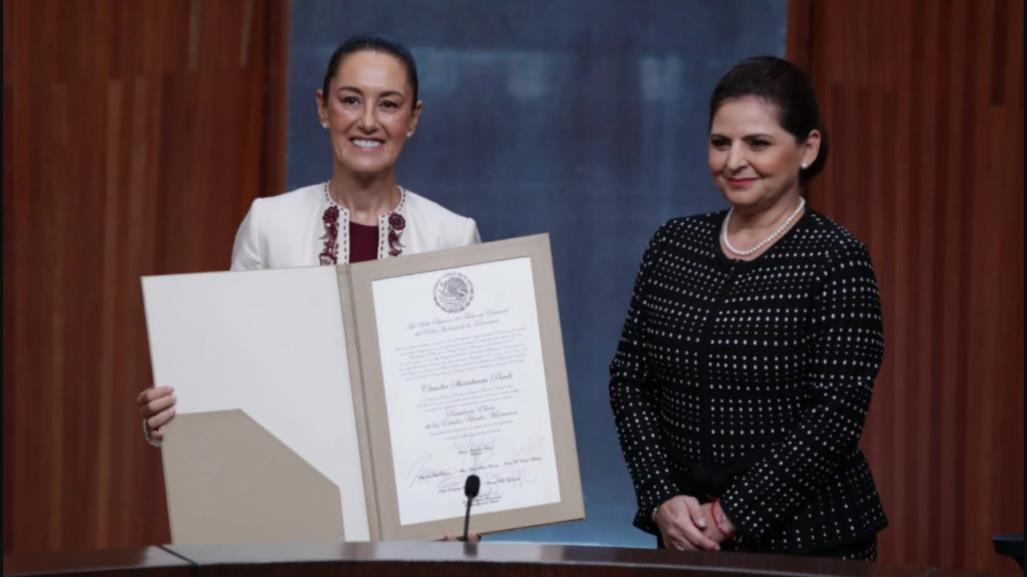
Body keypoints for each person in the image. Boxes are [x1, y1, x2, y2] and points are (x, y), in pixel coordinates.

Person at [138, 34, 480, 444]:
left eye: (388, 104)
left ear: (413, 118)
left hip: (416, 478)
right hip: (294, 475)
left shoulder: (453, 235)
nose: (368, 121)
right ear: (323, 108)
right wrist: (174, 418)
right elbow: (229, 363)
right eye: (351, 100)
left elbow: (470, 390)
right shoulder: (269, 223)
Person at [609, 56, 887, 560]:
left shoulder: (837, 258)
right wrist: (662, 499)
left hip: (812, 546)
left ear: (807, 148)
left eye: (757, 143)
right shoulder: (673, 245)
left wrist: (730, 514)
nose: (734, 160)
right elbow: (630, 381)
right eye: (720, 143)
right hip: (685, 540)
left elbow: (836, 415)